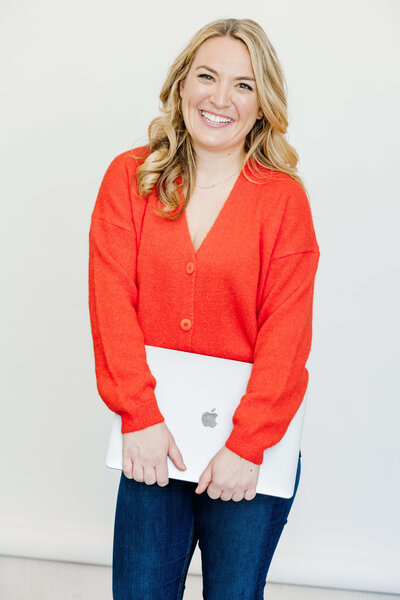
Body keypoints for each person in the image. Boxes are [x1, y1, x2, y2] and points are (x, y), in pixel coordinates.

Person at [88, 17, 320, 600]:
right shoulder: (130, 179)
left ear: (262, 104)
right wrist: (138, 417)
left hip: (248, 453)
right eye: (207, 77)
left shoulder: (283, 200)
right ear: (181, 85)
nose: (220, 99)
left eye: (243, 85)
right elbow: (110, 302)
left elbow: (286, 334)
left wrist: (248, 444)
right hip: (153, 445)